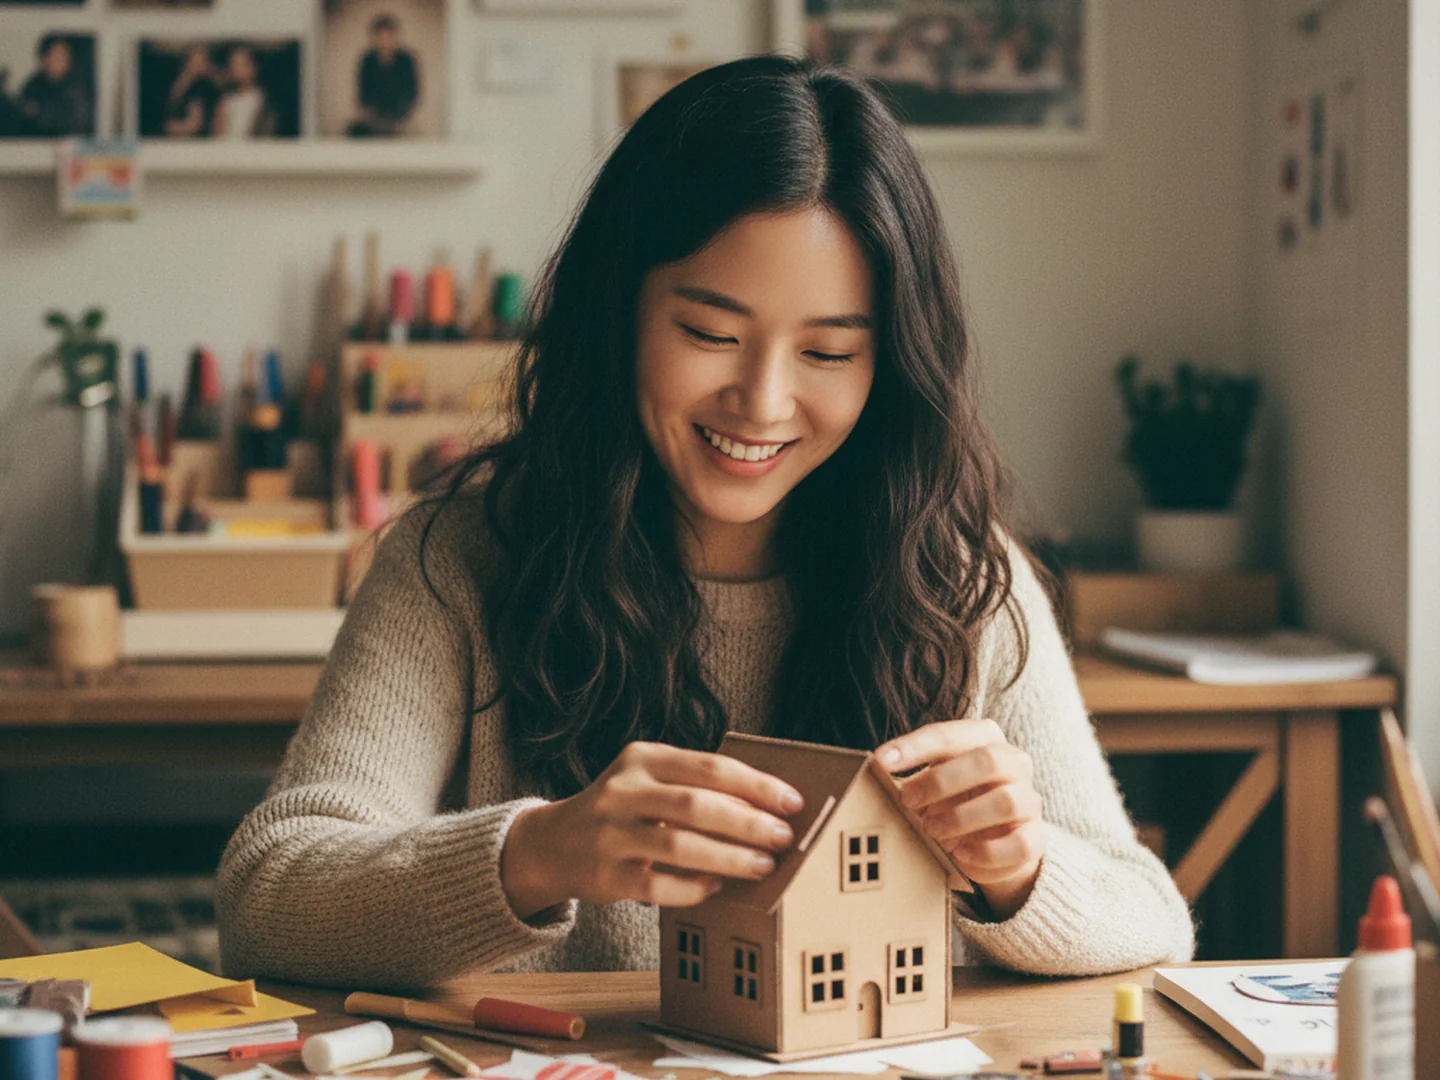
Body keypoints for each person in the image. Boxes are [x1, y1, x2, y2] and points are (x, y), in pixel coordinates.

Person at [218, 56, 1193, 989]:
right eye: (709, 334)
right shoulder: (463, 554)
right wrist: (540, 852)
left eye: (828, 353)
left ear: (889, 365)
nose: (762, 402)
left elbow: (1153, 918)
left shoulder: (959, 574)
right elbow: (268, 890)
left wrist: (1018, 869)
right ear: (620, 312)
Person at [347, 14, 419, 137]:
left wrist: (404, 118)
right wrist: (368, 115)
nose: (385, 41)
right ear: (375, 38)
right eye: (381, 37)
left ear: (394, 37)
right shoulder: (367, 60)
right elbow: (362, 92)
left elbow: (412, 91)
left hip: (400, 117)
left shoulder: (406, 60)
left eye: (388, 37)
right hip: (374, 117)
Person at [17, 34, 92, 138]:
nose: (61, 61)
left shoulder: (77, 87)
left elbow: (78, 121)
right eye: (55, 56)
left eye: (64, 56)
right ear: (44, 59)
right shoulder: (33, 84)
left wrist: (40, 112)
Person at [211, 44, 273, 139]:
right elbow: (217, 136)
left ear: (254, 66)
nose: (237, 69)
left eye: (242, 64)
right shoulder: (226, 101)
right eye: (233, 64)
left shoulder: (264, 100)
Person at [163, 44, 220, 138]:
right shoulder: (178, 82)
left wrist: (168, 127)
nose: (199, 64)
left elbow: (194, 124)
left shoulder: (200, 86)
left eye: (202, 60)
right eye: (195, 59)